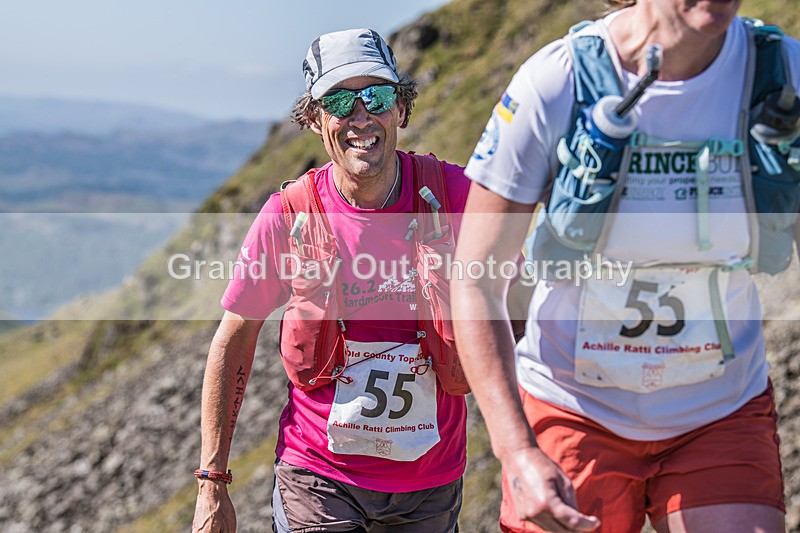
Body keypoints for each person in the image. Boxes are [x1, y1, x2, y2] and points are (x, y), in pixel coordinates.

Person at [453, 0, 800, 531]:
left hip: (721, 410)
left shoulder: (782, 76)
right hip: (573, 407)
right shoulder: (557, 82)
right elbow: (475, 281)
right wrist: (516, 449)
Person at [192, 28, 471, 533]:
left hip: (431, 484)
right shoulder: (291, 214)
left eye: (378, 96)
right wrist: (212, 483)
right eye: (341, 100)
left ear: (401, 110)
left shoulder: (452, 196)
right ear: (315, 120)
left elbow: (521, 308)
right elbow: (234, 337)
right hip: (318, 477)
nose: (361, 116)